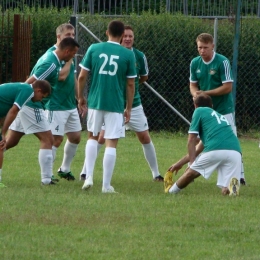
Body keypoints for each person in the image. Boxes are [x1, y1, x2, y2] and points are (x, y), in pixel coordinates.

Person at [79, 25, 163, 182]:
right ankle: (86, 173)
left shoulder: (137, 56)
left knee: (144, 136)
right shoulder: (115, 52)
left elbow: (143, 78)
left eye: (131, 36)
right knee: (102, 137)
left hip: (132, 104)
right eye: (126, 36)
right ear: (120, 36)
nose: (128, 39)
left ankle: (156, 173)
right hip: (114, 104)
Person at [6, 37, 80, 185]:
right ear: (67, 51)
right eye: (73, 53)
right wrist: (19, 100)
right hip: (31, 105)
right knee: (48, 139)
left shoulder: (54, 59)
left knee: (10, 142)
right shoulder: (51, 64)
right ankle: (46, 180)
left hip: (27, 104)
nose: (73, 56)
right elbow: (30, 83)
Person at [78, 20, 136, 193]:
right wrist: (129, 108)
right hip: (116, 104)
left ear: (106, 32)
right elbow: (131, 84)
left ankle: (88, 177)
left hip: (95, 101)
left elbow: (81, 77)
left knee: (92, 137)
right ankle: (106, 185)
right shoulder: (127, 54)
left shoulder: (94, 49)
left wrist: (81, 97)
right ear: (121, 35)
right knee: (111, 142)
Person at [189, 33, 245, 185]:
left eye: (205, 48)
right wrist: (196, 96)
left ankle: (240, 176)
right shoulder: (195, 63)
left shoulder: (222, 61)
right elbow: (193, 85)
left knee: (231, 141)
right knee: (198, 138)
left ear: (213, 46)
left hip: (223, 108)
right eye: (200, 47)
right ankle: (191, 168)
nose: (202, 51)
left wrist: (205, 93)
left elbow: (227, 87)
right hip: (206, 109)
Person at [166, 93, 241, 196]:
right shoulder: (217, 119)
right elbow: (197, 150)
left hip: (216, 150)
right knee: (230, 191)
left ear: (195, 106)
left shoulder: (199, 111)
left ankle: (171, 192)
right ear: (212, 106)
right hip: (235, 152)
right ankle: (233, 195)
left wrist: (192, 164)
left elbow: (191, 139)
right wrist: (179, 163)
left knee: (190, 174)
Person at [45, 23, 82, 182]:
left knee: (75, 137)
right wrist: (70, 58)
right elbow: (60, 76)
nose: (71, 37)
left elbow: (71, 77)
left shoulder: (69, 55)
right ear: (59, 37)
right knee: (55, 139)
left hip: (69, 104)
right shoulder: (54, 54)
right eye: (68, 35)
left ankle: (64, 168)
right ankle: (47, 174)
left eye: (73, 35)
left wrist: (79, 97)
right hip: (56, 104)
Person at [0, 80, 51, 187]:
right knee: (0, 145)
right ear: (38, 90)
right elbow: (13, 111)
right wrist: (3, 133)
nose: (40, 100)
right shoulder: (28, 91)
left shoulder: (24, 88)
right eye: (42, 97)